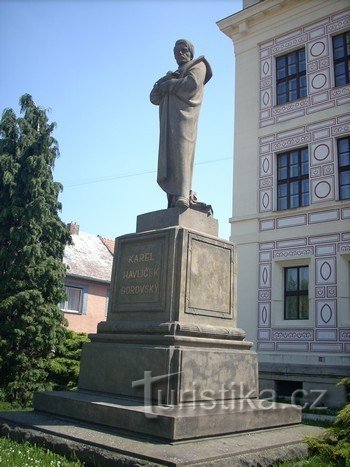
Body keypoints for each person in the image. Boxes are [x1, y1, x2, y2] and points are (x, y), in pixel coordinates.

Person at [150, 39, 212, 208]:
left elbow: (191, 84)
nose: (180, 54)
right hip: (168, 123)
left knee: (182, 153)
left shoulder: (199, 66)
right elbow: (153, 97)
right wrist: (165, 80)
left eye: (183, 50)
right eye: (176, 51)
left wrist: (169, 85)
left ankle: (183, 195)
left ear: (190, 52)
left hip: (185, 119)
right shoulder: (172, 74)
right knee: (169, 159)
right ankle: (173, 198)